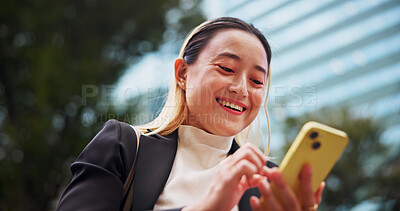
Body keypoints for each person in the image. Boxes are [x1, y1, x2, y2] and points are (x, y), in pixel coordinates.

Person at [56, 17, 325, 211]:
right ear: (183, 74)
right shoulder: (123, 145)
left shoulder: (267, 181)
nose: (242, 89)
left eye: (257, 81)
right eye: (226, 68)